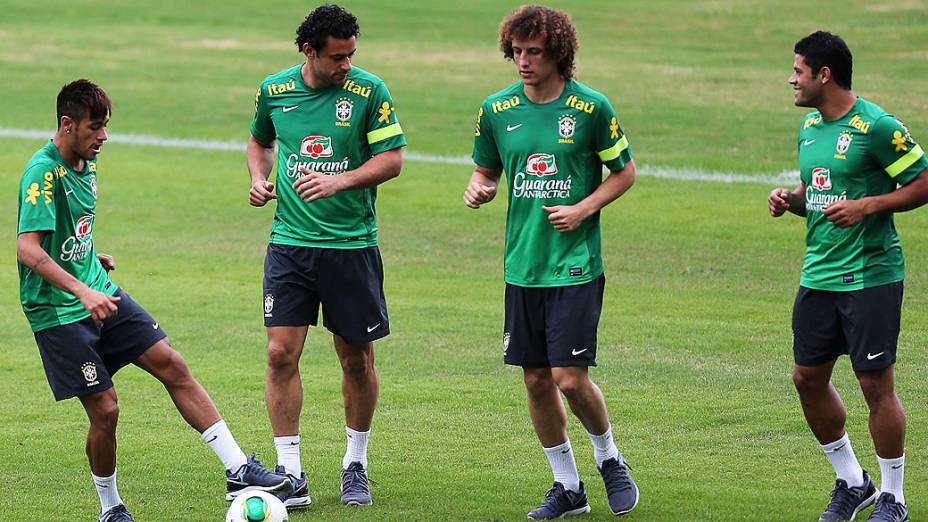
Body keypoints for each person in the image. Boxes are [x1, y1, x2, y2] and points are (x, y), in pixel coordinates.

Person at [16, 80, 291, 522]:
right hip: (60, 313)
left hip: (98, 293)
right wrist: (82, 289)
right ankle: (110, 508)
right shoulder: (42, 173)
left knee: (172, 363)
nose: (104, 136)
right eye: (95, 127)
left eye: (106, 126)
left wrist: (89, 256)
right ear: (67, 125)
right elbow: (27, 249)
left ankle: (238, 469)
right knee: (106, 410)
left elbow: (64, 234)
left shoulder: (84, 164)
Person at [464, 5, 639, 519]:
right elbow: (486, 171)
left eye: (533, 52)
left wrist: (583, 208)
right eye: (516, 51)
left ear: (558, 52)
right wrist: (480, 188)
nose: (522, 61)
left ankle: (609, 458)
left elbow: (624, 173)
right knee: (536, 380)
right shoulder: (496, 110)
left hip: (574, 264)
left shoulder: (591, 108)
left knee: (568, 377)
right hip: (522, 265)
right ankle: (568, 486)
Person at [246, 3, 405, 508]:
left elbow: (392, 160)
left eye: (352, 55)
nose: (347, 65)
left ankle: (354, 462)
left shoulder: (368, 91)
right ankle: (289, 474)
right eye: (338, 57)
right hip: (290, 243)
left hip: (350, 245)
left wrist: (340, 180)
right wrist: (257, 176)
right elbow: (259, 140)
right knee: (278, 354)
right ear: (308, 51)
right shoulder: (275, 89)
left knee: (356, 358)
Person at [770, 31, 928, 522]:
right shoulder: (810, 129)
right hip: (818, 275)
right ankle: (851, 479)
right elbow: (818, 196)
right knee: (807, 378)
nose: (790, 79)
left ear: (824, 75)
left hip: (871, 276)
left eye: (798, 70)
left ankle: (893, 496)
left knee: (874, 384)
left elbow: (923, 181)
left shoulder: (877, 126)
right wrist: (791, 201)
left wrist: (868, 206)